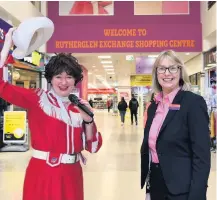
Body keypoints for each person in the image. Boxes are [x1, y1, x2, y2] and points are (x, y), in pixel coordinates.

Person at [0, 28, 102, 200]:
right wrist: (6, 47)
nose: (63, 82)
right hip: (43, 173)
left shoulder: (80, 106)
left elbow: (93, 147)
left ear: (75, 80)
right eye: (58, 77)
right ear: (50, 79)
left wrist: (89, 122)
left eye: (69, 77)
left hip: (72, 175)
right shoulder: (37, 99)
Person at [140, 50, 210, 200]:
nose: (167, 73)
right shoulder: (153, 106)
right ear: (156, 73)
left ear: (180, 71)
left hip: (183, 189)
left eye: (172, 68)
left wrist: (197, 195)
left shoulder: (193, 103)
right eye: (162, 68)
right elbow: (152, 151)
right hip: (157, 185)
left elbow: (202, 156)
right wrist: (149, 188)